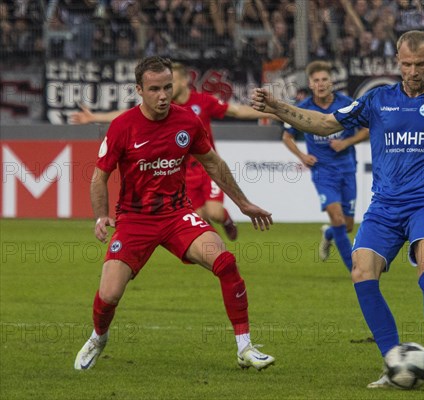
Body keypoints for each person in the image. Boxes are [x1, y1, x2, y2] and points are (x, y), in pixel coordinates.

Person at [252, 30, 424, 387]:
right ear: (397, 62)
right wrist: (277, 108)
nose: (412, 71)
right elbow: (324, 122)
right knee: (361, 271)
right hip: (384, 206)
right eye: (406, 64)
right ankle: (395, 361)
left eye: (420, 64)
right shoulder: (378, 99)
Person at [74, 56, 275, 372]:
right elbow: (100, 176)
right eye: (155, 89)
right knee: (110, 293)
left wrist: (243, 203)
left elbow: (213, 163)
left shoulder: (187, 121)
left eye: (167, 87)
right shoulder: (122, 127)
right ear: (140, 89)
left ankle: (245, 346)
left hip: (177, 215)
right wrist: (101, 216)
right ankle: (99, 337)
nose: (163, 95)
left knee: (225, 262)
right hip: (134, 220)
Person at [70, 62, 277, 241]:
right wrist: (95, 116)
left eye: (172, 83)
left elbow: (237, 111)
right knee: (199, 216)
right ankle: (211, 248)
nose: (165, 90)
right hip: (184, 172)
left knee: (214, 212)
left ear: (185, 80)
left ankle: (227, 220)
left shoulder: (203, 102)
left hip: (207, 169)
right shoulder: (164, 107)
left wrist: (275, 113)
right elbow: (130, 115)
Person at [281, 60, 369, 272]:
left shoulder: (347, 104)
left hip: (347, 167)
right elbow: (287, 136)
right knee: (336, 216)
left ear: (332, 82)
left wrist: (345, 143)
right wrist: (302, 155)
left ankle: (328, 234)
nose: (320, 84)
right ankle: (354, 270)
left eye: (324, 80)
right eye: (316, 80)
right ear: (310, 84)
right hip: (322, 171)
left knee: (346, 225)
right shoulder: (302, 109)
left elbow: (366, 130)